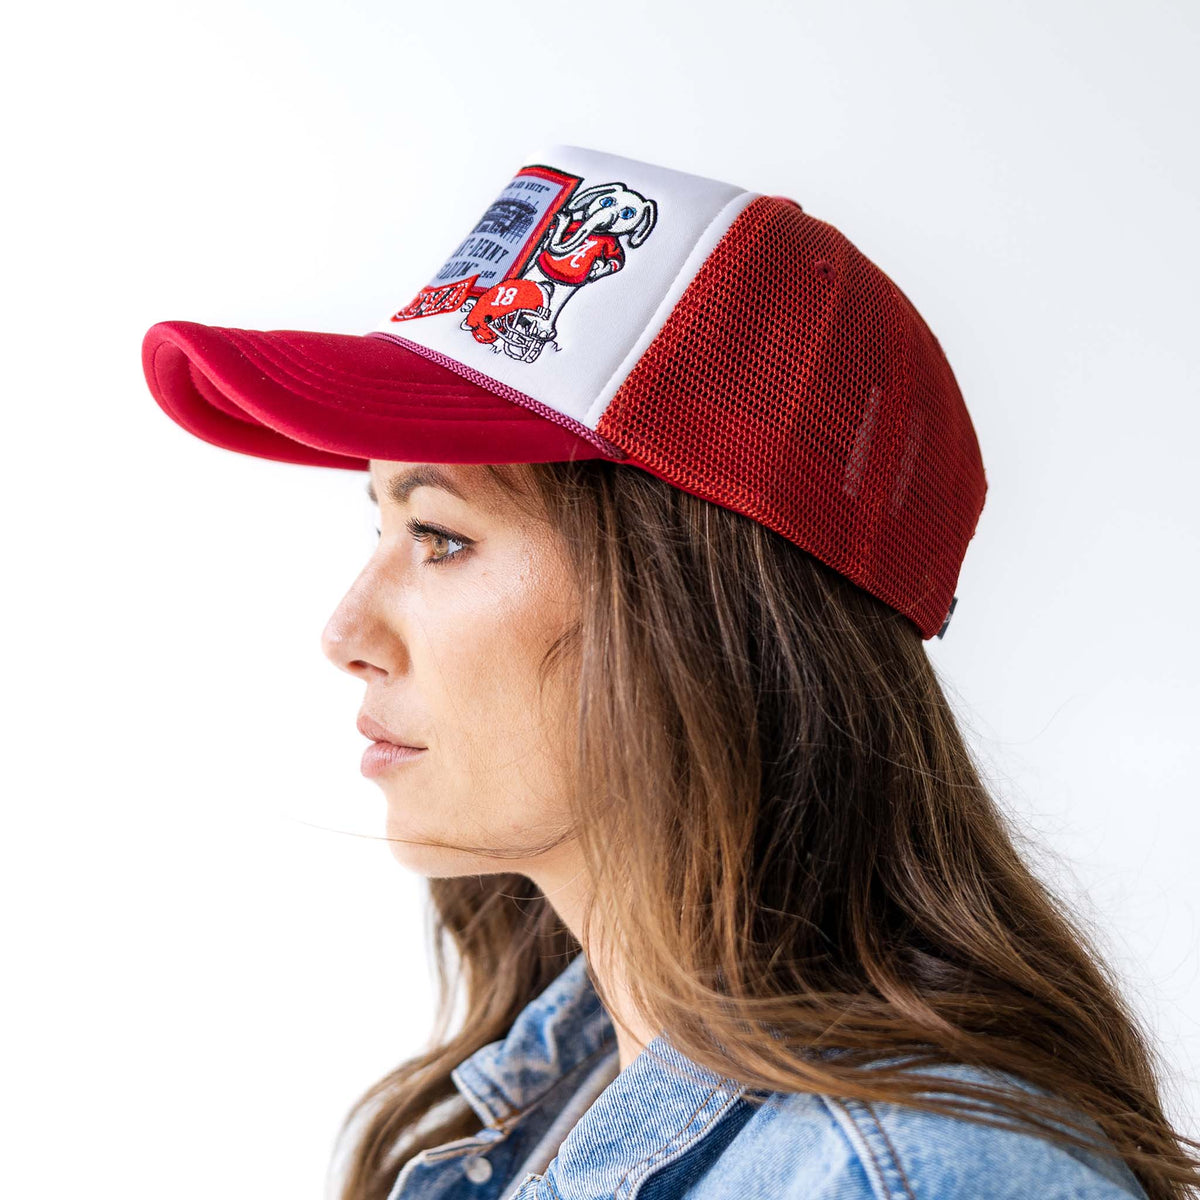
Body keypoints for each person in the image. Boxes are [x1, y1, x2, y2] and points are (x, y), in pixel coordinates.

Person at [140, 144, 1200, 1200]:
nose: (344, 630)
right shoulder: (556, 1099)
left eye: (439, 536)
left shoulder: (912, 1178)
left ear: (697, 611)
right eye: (376, 523)